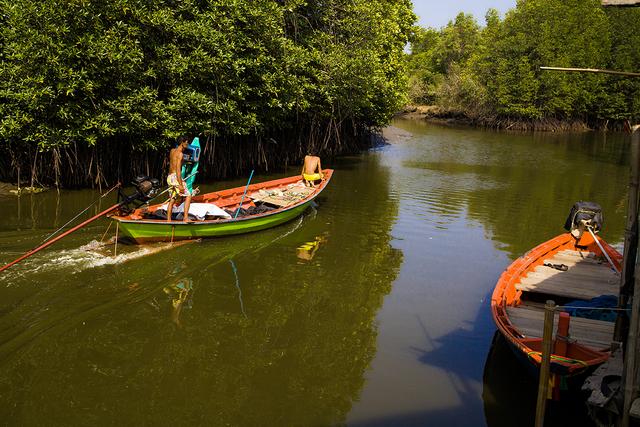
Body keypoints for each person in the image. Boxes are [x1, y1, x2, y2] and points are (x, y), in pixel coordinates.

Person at [166, 136, 192, 222]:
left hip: (169, 177)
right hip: (175, 177)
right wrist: (180, 185)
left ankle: (168, 220)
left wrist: (183, 161)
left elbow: (173, 162)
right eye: (187, 142)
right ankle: (185, 218)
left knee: (172, 198)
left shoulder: (172, 151)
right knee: (188, 195)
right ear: (182, 143)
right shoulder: (180, 154)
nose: (188, 144)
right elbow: (178, 170)